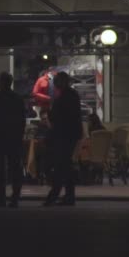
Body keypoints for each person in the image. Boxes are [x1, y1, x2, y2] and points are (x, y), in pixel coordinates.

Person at [0, 72, 26, 208]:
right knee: (15, 169)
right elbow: (22, 120)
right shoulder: (18, 99)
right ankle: (14, 198)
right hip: (14, 139)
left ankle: (1, 199)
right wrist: (20, 136)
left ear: (2, 82)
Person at [44, 72, 82, 207]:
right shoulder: (72, 95)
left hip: (63, 135)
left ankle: (55, 195)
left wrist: (49, 112)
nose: (54, 84)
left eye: (56, 81)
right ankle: (68, 195)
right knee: (66, 165)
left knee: (62, 165)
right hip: (70, 135)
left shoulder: (64, 97)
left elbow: (57, 116)